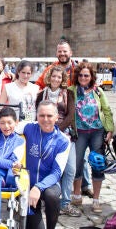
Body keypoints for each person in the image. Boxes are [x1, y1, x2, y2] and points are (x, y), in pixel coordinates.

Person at [16, 100, 70, 229]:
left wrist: (38, 187)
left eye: (50, 116)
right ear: (37, 116)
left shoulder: (63, 140)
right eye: (42, 115)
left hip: (48, 185)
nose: (45, 119)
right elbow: (7, 123)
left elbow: (57, 173)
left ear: (57, 117)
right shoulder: (29, 127)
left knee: (52, 196)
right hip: (27, 185)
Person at [69, 61, 114, 213]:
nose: (83, 77)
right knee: (77, 163)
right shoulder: (71, 90)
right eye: (81, 75)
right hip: (80, 132)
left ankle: (96, 199)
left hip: (97, 131)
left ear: (91, 76)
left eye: (86, 75)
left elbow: (107, 110)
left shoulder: (98, 91)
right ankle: (76, 195)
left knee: (97, 163)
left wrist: (109, 129)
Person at [36, 66, 79, 217]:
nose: (56, 79)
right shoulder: (41, 94)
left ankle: (65, 202)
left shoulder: (69, 94)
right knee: (48, 168)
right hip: (45, 134)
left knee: (70, 168)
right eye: (53, 76)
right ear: (49, 77)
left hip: (65, 135)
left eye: (59, 77)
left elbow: (70, 115)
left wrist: (57, 131)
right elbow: (38, 114)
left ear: (63, 79)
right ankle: (46, 199)